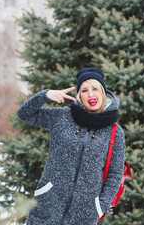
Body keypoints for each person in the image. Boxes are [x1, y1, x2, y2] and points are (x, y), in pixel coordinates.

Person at [17, 67, 125, 225]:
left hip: (84, 215)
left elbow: (115, 173)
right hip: (47, 205)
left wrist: (100, 206)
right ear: (79, 95)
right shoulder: (62, 117)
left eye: (95, 88)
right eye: (84, 90)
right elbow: (24, 114)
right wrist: (45, 95)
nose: (91, 94)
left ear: (103, 92)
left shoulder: (115, 132)